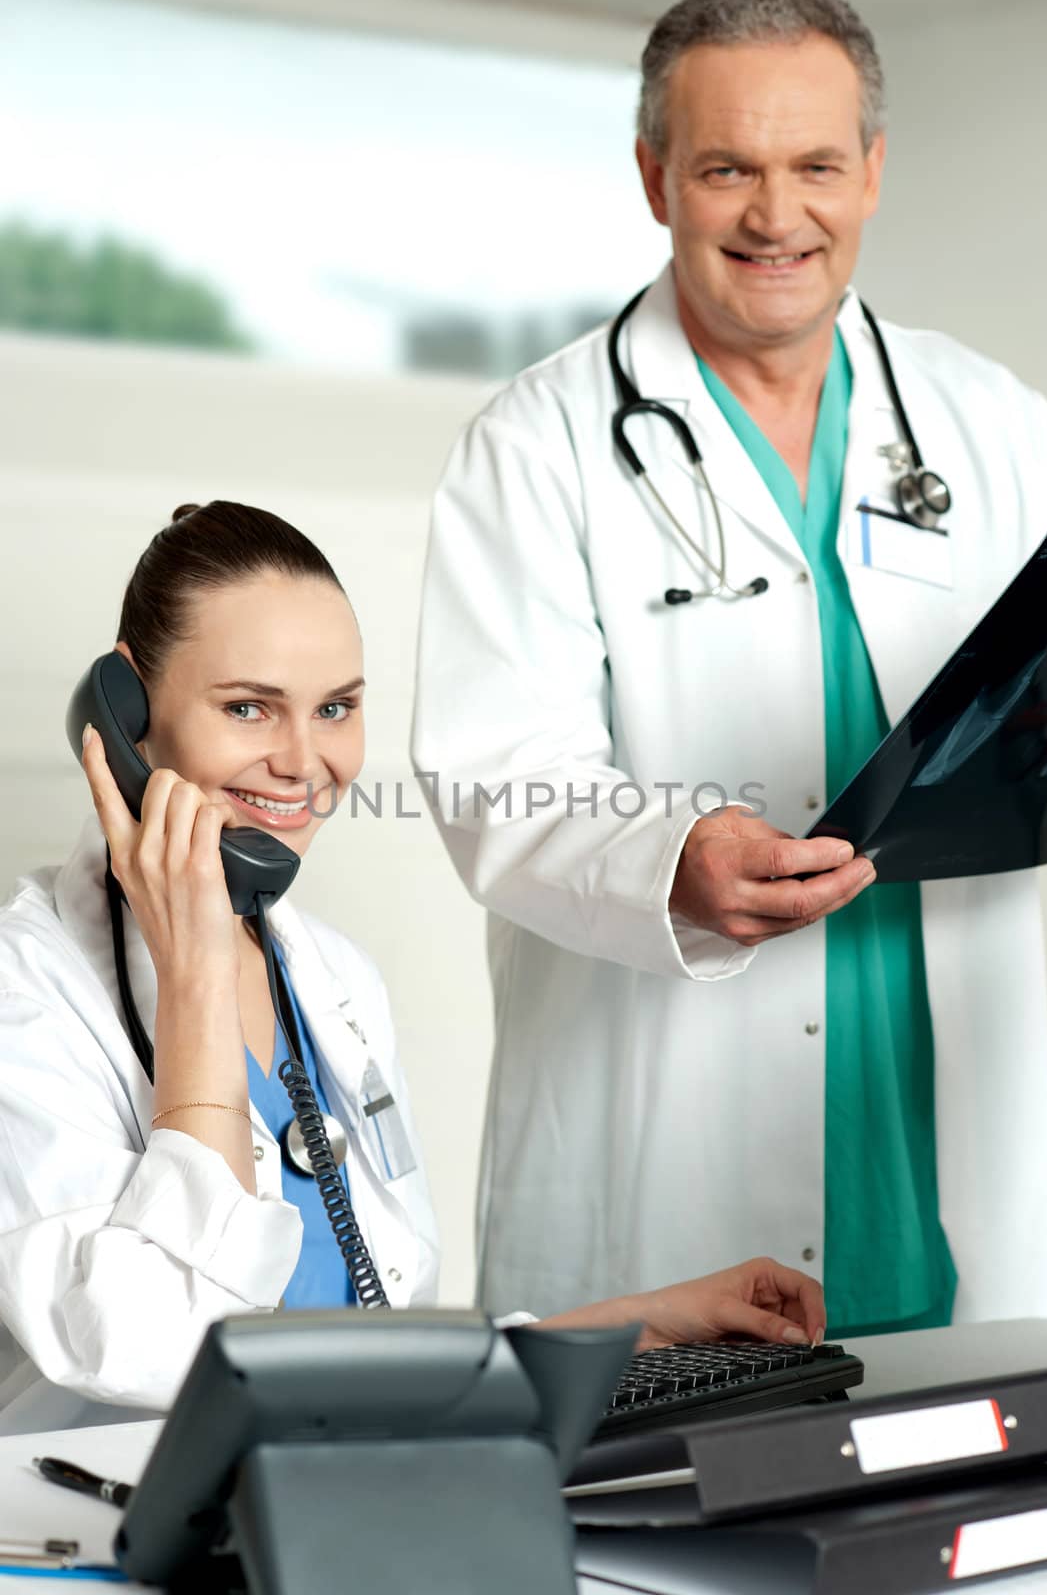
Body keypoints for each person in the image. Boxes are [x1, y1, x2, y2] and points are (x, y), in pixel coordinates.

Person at [411, 0, 1047, 1330]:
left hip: (936, 1137)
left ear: (872, 171)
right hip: (666, 1172)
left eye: (816, 165)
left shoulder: (992, 424)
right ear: (656, 179)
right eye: (728, 169)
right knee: (665, 1532)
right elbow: (492, 780)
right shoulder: (538, 446)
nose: (779, 216)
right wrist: (672, 858)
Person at [0, 501, 824, 1437]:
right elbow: (153, 1343)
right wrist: (193, 985)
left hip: (339, 1508)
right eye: (247, 707)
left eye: (336, 709)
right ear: (123, 712)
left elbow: (366, 1343)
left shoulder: (332, 979)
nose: (306, 764)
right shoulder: (26, 991)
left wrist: (633, 1328)